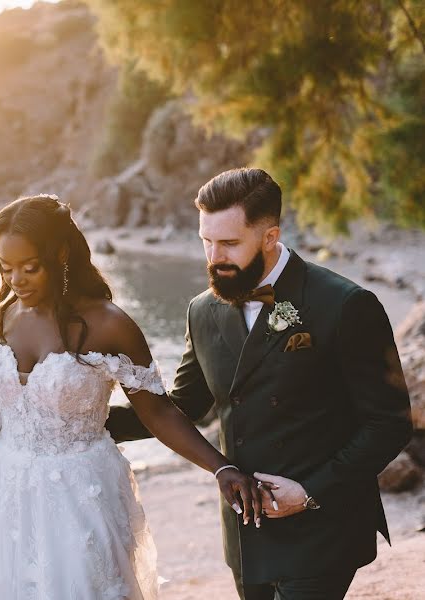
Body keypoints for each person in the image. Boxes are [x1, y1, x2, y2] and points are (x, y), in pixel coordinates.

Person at [0, 194, 263, 599]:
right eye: (7, 269)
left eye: (29, 268)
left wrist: (219, 467)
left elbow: (158, 411)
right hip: (6, 493)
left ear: (59, 255)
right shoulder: (4, 315)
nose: (16, 281)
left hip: (81, 493)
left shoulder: (109, 325)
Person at [105, 168, 412, 599]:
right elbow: (183, 407)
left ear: (270, 237)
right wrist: (87, 420)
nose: (214, 257)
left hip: (323, 525)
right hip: (246, 530)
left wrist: (309, 492)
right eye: (206, 241)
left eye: (229, 243)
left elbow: (390, 423)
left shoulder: (346, 305)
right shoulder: (201, 310)